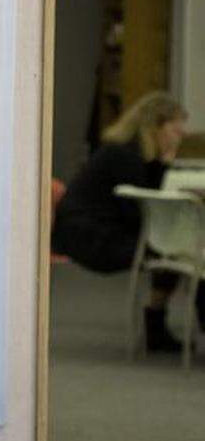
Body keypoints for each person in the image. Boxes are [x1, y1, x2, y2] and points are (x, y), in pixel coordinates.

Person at [51, 91, 189, 351]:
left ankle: (156, 325)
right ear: (156, 126)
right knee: (177, 252)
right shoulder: (125, 156)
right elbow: (141, 212)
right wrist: (164, 164)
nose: (180, 136)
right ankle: (156, 327)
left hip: (93, 231)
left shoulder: (126, 151)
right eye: (175, 129)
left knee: (175, 249)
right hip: (92, 239)